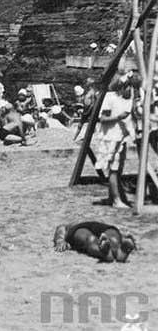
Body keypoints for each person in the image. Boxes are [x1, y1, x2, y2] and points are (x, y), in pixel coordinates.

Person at [96, 74, 138, 209]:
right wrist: (118, 117)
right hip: (110, 137)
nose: (131, 90)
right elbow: (102, 119)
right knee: (113, 169)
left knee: (118, 169)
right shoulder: (110, 98)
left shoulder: (128, 99)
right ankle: (116, 200)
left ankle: (112, 197)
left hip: (121, 138)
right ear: (122, 86)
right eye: (129, 86)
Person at [52, 221, 136, 263]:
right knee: (113, 238)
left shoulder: (70, 226)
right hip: (102, 226)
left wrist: (59, 240)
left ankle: (104, 252)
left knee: (90, 239)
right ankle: (119, 251)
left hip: (78, 228)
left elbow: (61, 227)